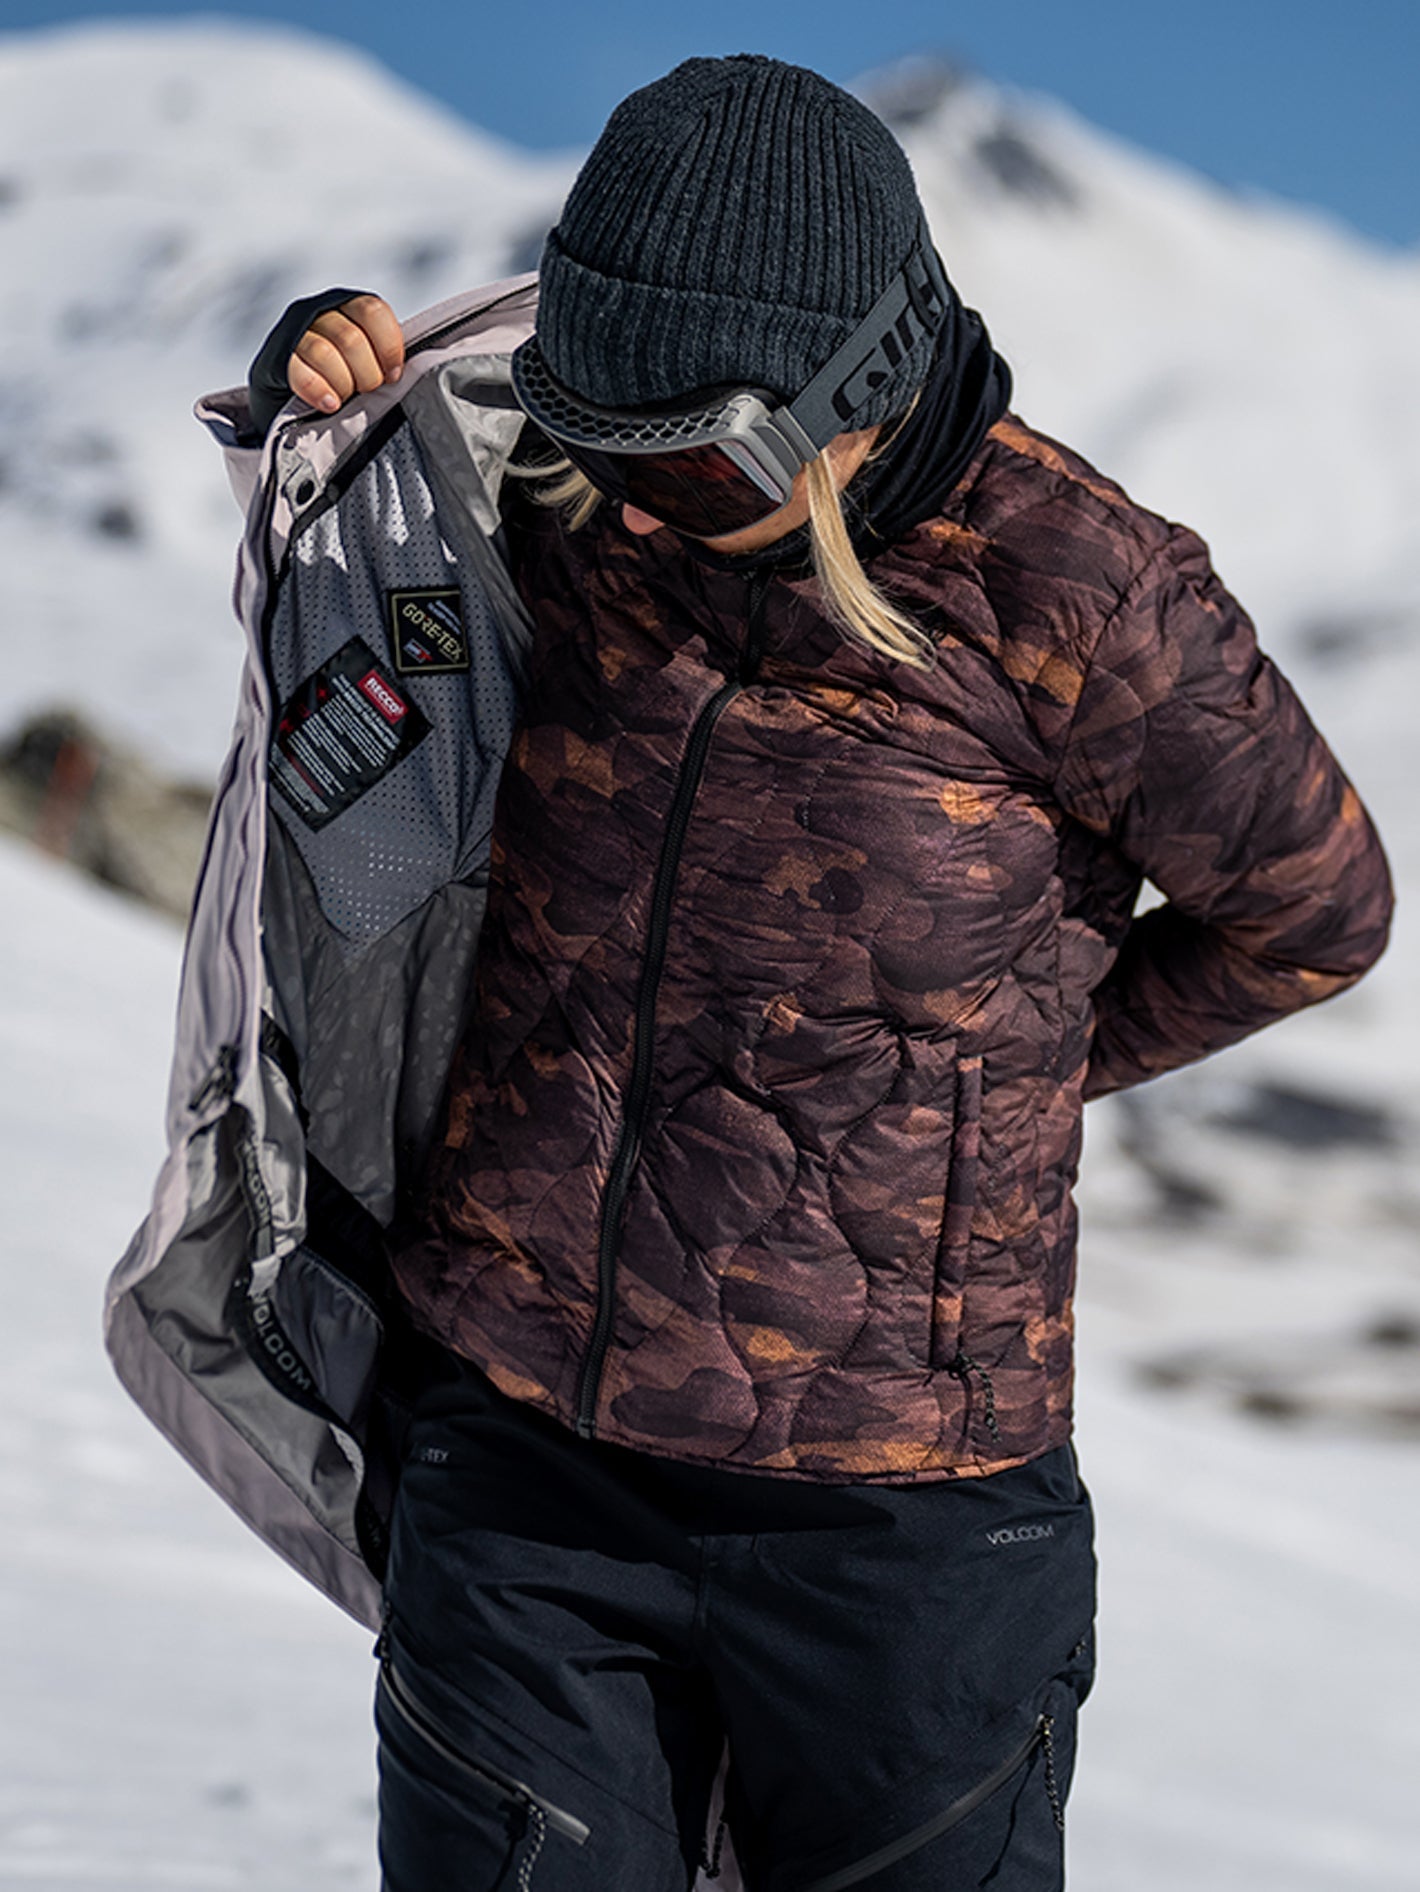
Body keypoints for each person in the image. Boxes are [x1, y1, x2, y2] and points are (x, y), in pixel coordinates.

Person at [252, 54, 1391, 1892]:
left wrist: (1011, 1076)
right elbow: (366, 571)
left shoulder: (1085, 600)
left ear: (853, 395)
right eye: (603, 444)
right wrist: (329, 390)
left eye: (694, 467)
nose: (641, 509)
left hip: (903, 1537)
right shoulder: (567, 495)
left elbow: (1316, 913)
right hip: (526, 1459)